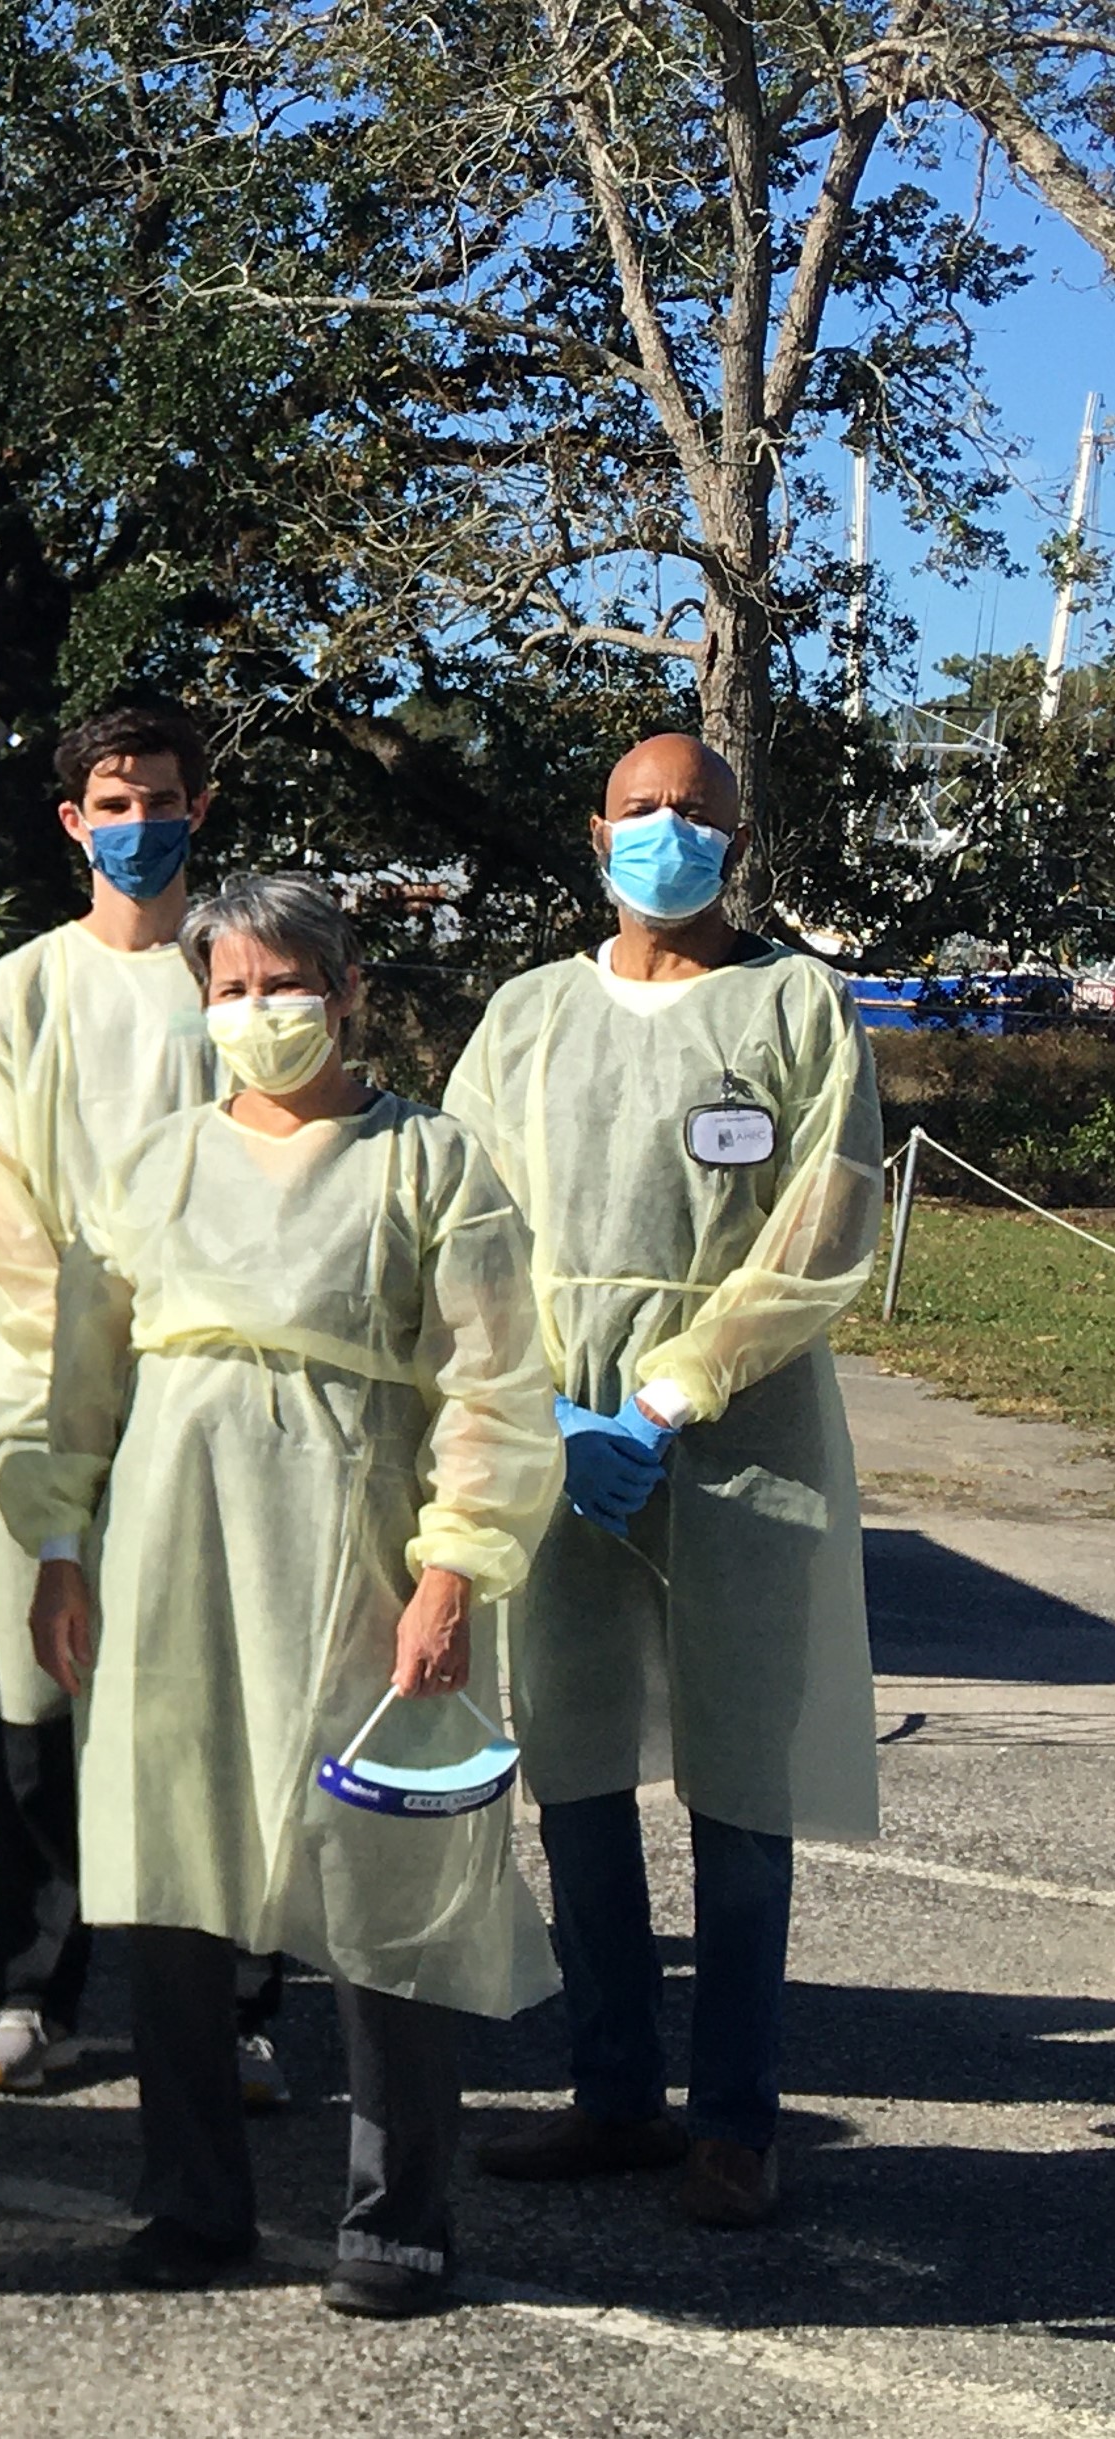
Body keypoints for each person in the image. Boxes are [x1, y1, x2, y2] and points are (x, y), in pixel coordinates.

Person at [0, 872, 562, 2316]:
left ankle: (400, 2211)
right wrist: (60, 1544)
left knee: (387, 1870)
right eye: (231, 988)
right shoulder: (156, 1163)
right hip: (169, 1544)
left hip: (355, 1546)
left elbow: (494, 1385)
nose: (258, 1012)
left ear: (351, 986)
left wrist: (456, 1567)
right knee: (169, 1875)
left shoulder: (431, 1161)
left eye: (284, 981)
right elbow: (83, 1385)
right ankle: (191, 2198)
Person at [448, 734, 885, 2231]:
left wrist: (671, 1388)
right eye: (641, 807)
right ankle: (611, 2091)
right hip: (559, 1434)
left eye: (696, 810)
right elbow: (463, 1219)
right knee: (573, 1765)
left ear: (738, 834)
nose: (667, 830)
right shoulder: (526, 1017)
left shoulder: (793, 1004)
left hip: (740, 1444)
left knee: (739, 1778)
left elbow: (822, 1225)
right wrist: (536, 1406)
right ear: (595, 830)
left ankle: (737, 2116)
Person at [0, 704, 288, 2105]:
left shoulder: (242, 989)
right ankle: (34, 1986)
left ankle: (241, 2001)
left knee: (222, 1719)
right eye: (112, 798)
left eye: (163, 794)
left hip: (217, 1407)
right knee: (37, 1722)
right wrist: (93, 1380)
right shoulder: (15, 997)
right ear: (74, 820)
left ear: (201, 808)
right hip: (40, 1411)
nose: (138, 817)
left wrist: (187, 1368)